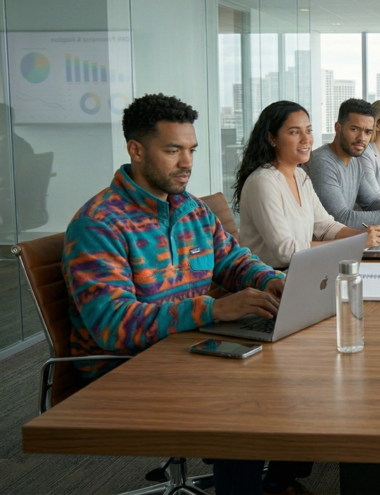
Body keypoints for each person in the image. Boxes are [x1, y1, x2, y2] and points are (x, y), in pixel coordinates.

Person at [61, 93, 311, 494]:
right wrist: (214, 308)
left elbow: (233, 261)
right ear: (136, 150)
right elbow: (113, 326)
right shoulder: (100, 224)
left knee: (301, 359)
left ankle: (279, 480)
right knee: (243, 400)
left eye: (191, 150)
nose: (187, 163)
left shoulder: (190, 209)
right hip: (125, 369)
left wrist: (272, 280)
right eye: (173, 150)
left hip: (188, 346)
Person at [234, 101, 380, 269]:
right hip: (269, 281)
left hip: (301, 270)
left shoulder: (300, 175)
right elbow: (286, 251)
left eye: (308, 131)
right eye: (294, 132)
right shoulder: (262, 182)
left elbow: (326, 226)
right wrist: (351, 244)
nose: (306, 139)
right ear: (272, 138)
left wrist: (360, 236)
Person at [305, 98, 380, 228]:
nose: (362, 138)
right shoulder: (322, 162)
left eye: (368, 132)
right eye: (354, 129)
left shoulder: (354, 161)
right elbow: (341, 218)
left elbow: (371, 202)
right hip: (323, 245)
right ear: (338, 128)